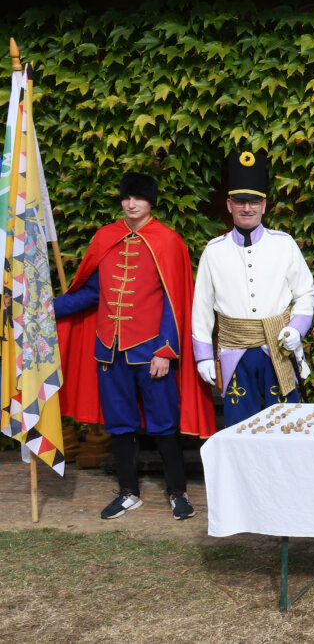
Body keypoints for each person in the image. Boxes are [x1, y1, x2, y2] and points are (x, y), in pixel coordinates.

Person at [54, 172, 213, 520]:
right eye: (126, 197)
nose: (131, 204)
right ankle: (128, 492)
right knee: (120, 425)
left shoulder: (168, 241)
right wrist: (43, 308)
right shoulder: (105, 237)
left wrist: (165, 350)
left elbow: (176, 302)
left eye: (138, 198)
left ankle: (178, 492)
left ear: (150, 202)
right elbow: (91, 293)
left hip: (150, 352)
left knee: (164, 425)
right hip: (108, 352)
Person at [192, 150, 314, 426]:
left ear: (264, 205)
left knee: (286, 425)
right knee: (239, 427)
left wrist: (297, 328)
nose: (246, 208)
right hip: (234, 353)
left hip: (278, 350)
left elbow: (305, 293)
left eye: (253, 202)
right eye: (240, 201)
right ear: (228, 205)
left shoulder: (284, 245)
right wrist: (203, 356)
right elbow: (201, 308)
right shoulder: (213, 252)